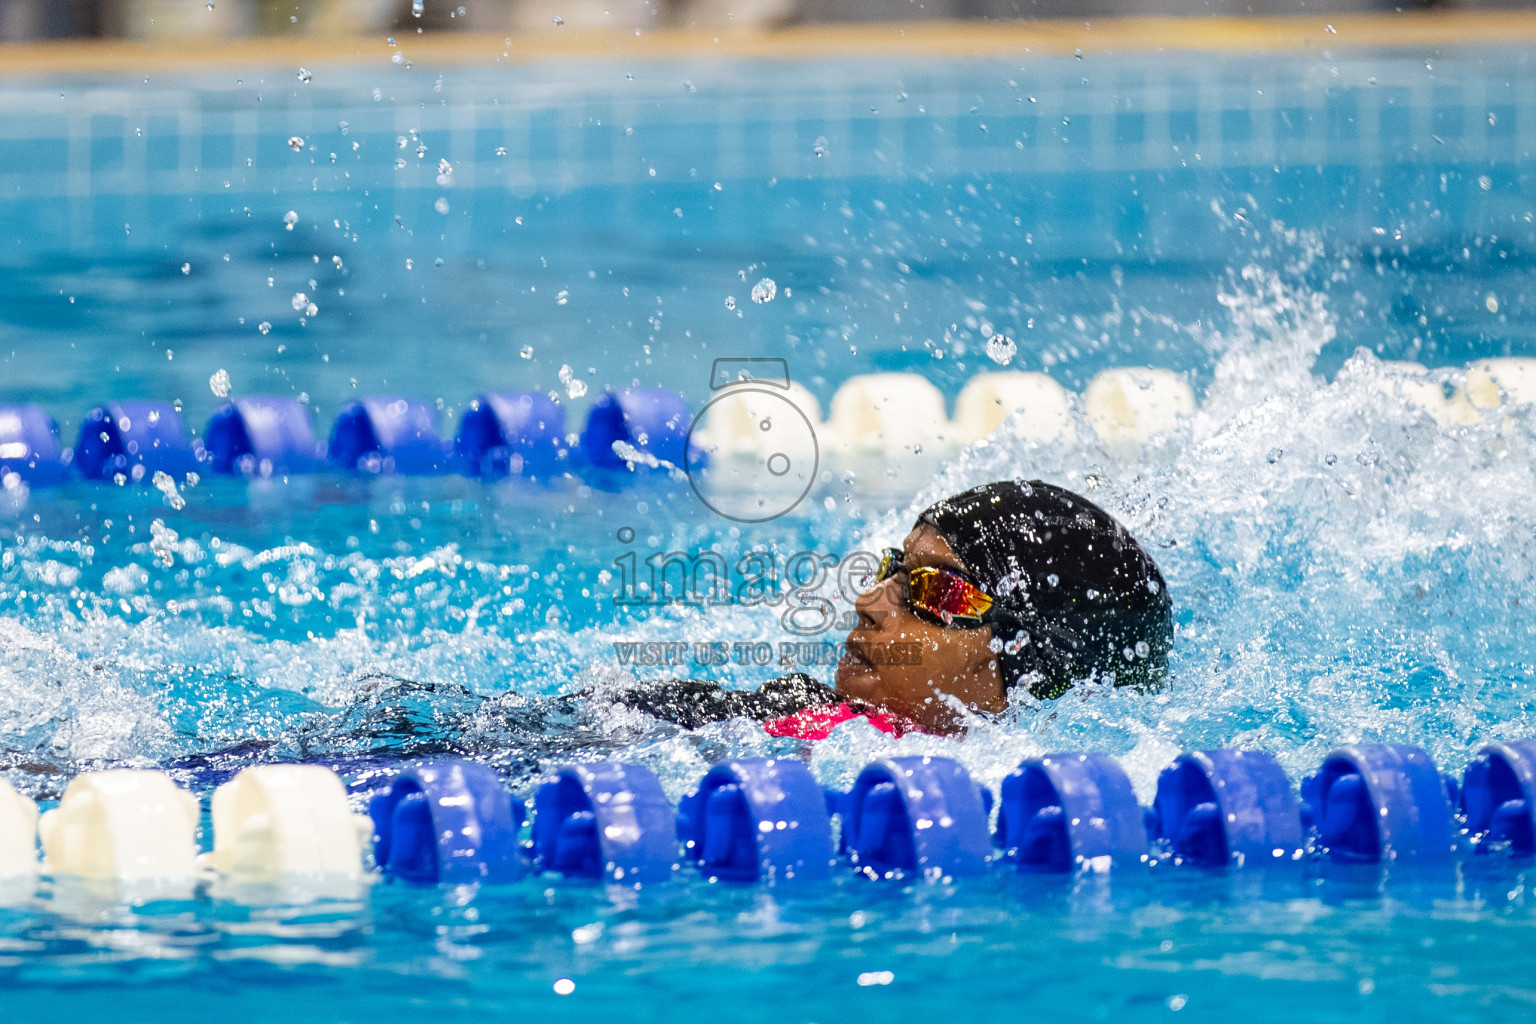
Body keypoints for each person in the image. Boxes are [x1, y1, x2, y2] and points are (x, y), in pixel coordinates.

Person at [611, 479, 1173, 737]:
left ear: (1032, 667)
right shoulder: (776, 723)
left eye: (935, 591)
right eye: (891, 570)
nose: (868, 601)